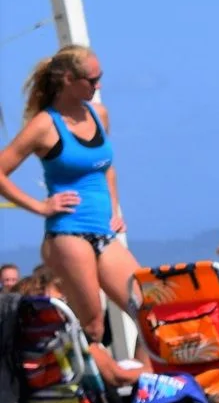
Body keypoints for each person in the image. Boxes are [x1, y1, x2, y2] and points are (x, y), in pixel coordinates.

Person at [0, 46, 142, 383]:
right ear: (69, 80)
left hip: (103, 232)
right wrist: (40, 206)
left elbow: (106, 168)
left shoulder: (99, 115)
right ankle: (107, 383)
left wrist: (115, 208)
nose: (98, 86)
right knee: (92, 323)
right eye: (92, 80)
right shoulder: (44, 125)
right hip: (67, 234)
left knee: (150, 307)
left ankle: (141, 381)